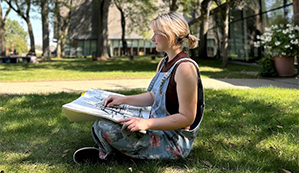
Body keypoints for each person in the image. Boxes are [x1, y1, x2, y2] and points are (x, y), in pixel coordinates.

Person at [73, 12, 205, 164]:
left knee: (104, 127)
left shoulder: (185, 68)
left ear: (170, 35)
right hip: (158, 127)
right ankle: (114, 152)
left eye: (156, 34)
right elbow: (154, 96)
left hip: (173, 141)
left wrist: (146, 123)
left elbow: (186, 118)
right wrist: (123, 100)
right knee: (102, 121)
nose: (152, 38)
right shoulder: (163, 63)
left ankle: (115, 157)